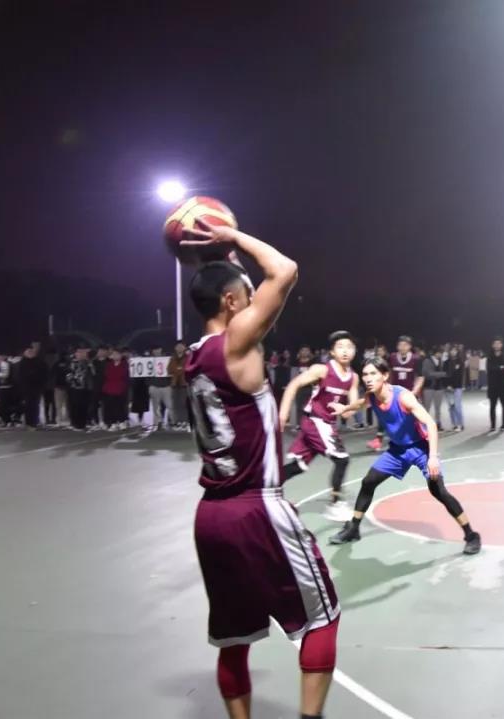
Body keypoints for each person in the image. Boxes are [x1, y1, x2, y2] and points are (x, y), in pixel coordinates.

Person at [182, 220, 338, 719]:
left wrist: (217, 263)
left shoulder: (191, 358)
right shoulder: (235, 345)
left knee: (235, 640)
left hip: (211, 516)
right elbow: (285, 270)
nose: (255, 303)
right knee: (322, 620)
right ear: (230, 303)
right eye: (247, 296)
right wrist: (233, 238)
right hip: (256, 508)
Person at [328, 357, 482, 555]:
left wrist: (433, 457)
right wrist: (345, 409)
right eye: (365, 374)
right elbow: (361, 403)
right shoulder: (371, 396)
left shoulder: (403, 397)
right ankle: (353, 528)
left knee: (438, 491)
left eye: (373, 373)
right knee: (369, 482)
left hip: (420, 448)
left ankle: (471, 535)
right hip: (398, 450)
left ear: (385, 375)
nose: (368, 378)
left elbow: (431, 424)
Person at [279, 330, 359, 521]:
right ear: (332, 352)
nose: (345, 351)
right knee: (342, 459)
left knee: (298, 465)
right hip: (315, 421)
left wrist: (347, 409)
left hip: (327, 424)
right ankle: (336, 504)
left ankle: (265, 489)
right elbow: (293, 385)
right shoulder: (321, 370)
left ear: (355, 351)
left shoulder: (353, 378)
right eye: (340, 347)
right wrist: (283, 414)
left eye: (349, 347)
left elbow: (350, 410)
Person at [419, 346, 446, 431]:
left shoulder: (441, 361)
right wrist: (442, 374)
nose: (440, 355)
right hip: (429, 387)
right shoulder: (427, 361)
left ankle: (438, 423)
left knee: (438, 407)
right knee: (427, 407)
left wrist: (440, 374)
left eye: (441, 353)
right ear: (435, 353)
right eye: (439, 353)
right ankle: (424, 424)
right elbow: (427, 374)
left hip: (439, 387)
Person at [487, 336, 504, 431]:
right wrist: (501, 367)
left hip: (503, 384)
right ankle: (493, 425)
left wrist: (497, 368)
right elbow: (489, 369)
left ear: (502, 345)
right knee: (492, 406)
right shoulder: (489, 356)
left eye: (499, 343)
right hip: (492, 385)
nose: (497, 345)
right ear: (492, 345)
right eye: (495, 343)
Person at [168, 341, 190, 431]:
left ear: (184, 348)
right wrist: (179, 369)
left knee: (183, 404)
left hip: (184, 384)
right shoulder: (173, 358)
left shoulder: (188, 357)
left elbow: (187, 369)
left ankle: (185, 421)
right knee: (175, 404)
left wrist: (178, 370)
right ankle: (177, 422)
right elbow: (169, 370)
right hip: (174, 384)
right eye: (178, 346)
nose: (179, 348)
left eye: (181, 346)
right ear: (175, 348)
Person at [443, 346, 466, 432]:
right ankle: (454, 424)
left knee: (457, 406)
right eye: (452, 350)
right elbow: (445, 375)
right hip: (448, 388)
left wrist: (458, 386)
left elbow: (460, 375)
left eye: (455, 350)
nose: (453, 352)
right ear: (449, 352)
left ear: (457, 352)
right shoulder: (446, 362)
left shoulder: (460, 362)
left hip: (457, 387)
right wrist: (447, 385)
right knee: (451, 407)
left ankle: (460, 424)